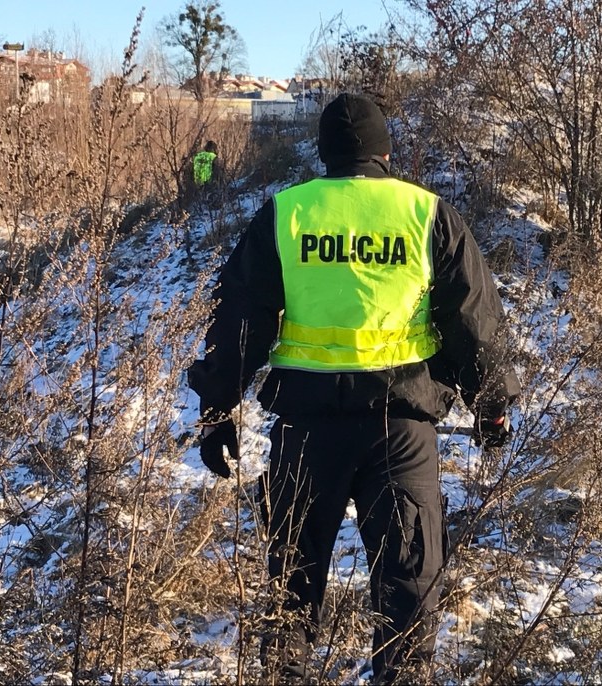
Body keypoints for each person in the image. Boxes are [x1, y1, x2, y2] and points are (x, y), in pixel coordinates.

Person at [187, 93, 520, 682]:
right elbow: (473, 320)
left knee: (291, 593)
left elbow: (241, 320)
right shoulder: (427, 214)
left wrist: (217, 409)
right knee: (408, 596)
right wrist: (491, 405)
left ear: (324, 153)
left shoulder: (287, 214)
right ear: (386, 152)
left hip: (306, 431)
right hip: (402, 430)